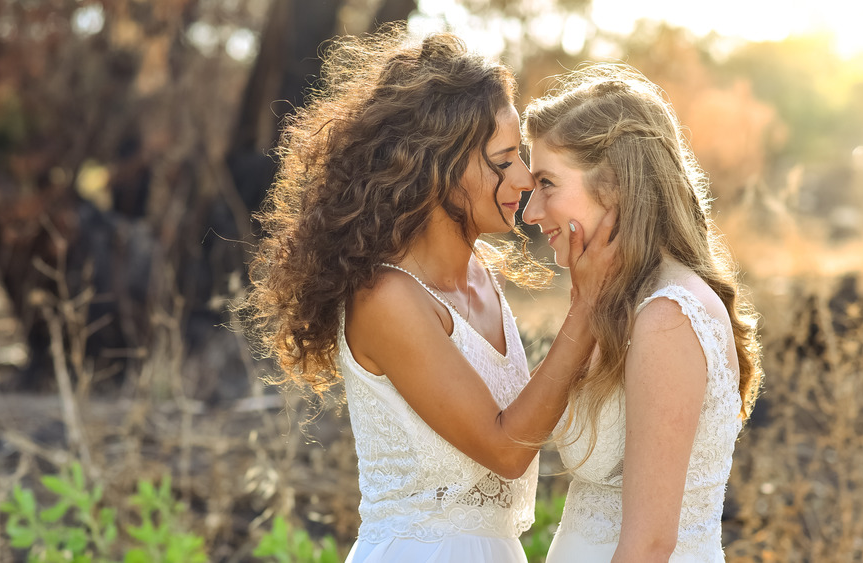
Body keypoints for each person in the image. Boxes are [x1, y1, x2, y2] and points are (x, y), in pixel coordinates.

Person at [241, 28, 615, 563]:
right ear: (437, 164)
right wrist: (587, 307)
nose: (527, 177)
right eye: (504, 158)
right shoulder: (386, 298)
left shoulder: (484, 275)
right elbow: (507, 449)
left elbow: (538, 413)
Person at [520, 64, 763, 562]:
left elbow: (650, 545)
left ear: (613, 186)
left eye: (547, 183)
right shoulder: (622, 306)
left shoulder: (667, 317)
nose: (530, 211)